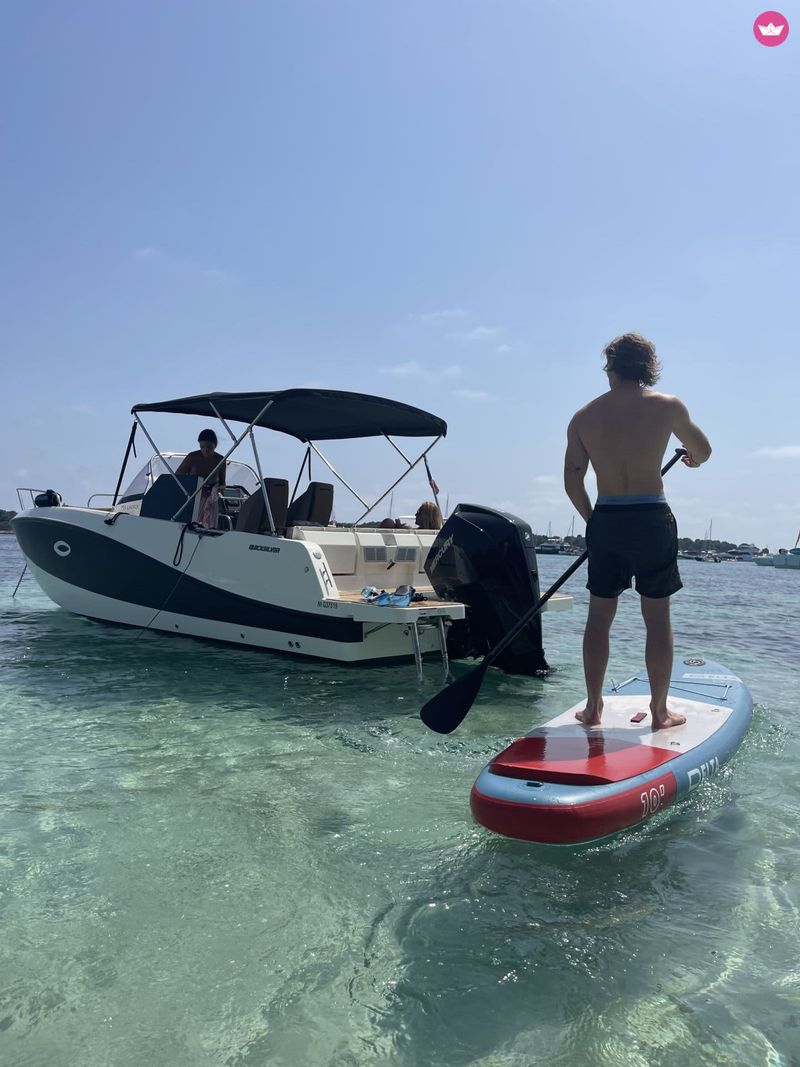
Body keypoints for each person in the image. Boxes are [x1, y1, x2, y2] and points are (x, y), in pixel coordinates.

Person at [563, 333, 712, 730]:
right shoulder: (668, 406)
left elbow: (572, 480)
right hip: (651, 518)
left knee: (599, 616)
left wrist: (593, 520)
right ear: (648, 368)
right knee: (657, 618)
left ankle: (593, 708)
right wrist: (693, 459)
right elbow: (704, 451)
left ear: (610, 367)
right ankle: (659, 712)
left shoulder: (584, 417)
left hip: (608, 517)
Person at [176, 429, 226, 527]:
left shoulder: (220, 460)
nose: (205, 450)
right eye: (202, 447)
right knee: (192, 526)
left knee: (210, 528)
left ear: (215, 446)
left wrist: (217, 488)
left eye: (209, 447)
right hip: (193, 497)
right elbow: (177, 477)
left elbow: (223, 484)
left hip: (211, 498)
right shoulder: (192, 457)